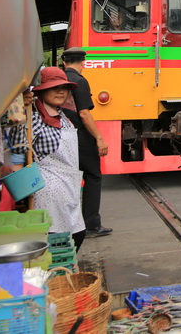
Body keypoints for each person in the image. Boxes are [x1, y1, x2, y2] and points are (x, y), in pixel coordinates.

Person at [7, 68, 86, 250]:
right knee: (57, 240)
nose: (61, 92)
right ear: (41, 91)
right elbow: (19, 153)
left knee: (78, 234)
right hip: (48, 190)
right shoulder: (32, 118)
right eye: (54, 88)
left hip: (70, 187)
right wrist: (24, 189)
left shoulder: (64, 116)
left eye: (64, 88)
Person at [60, 47, 112, 238]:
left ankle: (67, 222)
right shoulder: (79, 81)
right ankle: (91, 224)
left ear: (65, 63)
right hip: (79, 136)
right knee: (93, 175)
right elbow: (83, 113)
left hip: (61, 135)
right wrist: (99, 138)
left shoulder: (60, 79)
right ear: (83, 63)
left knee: (69, 178)